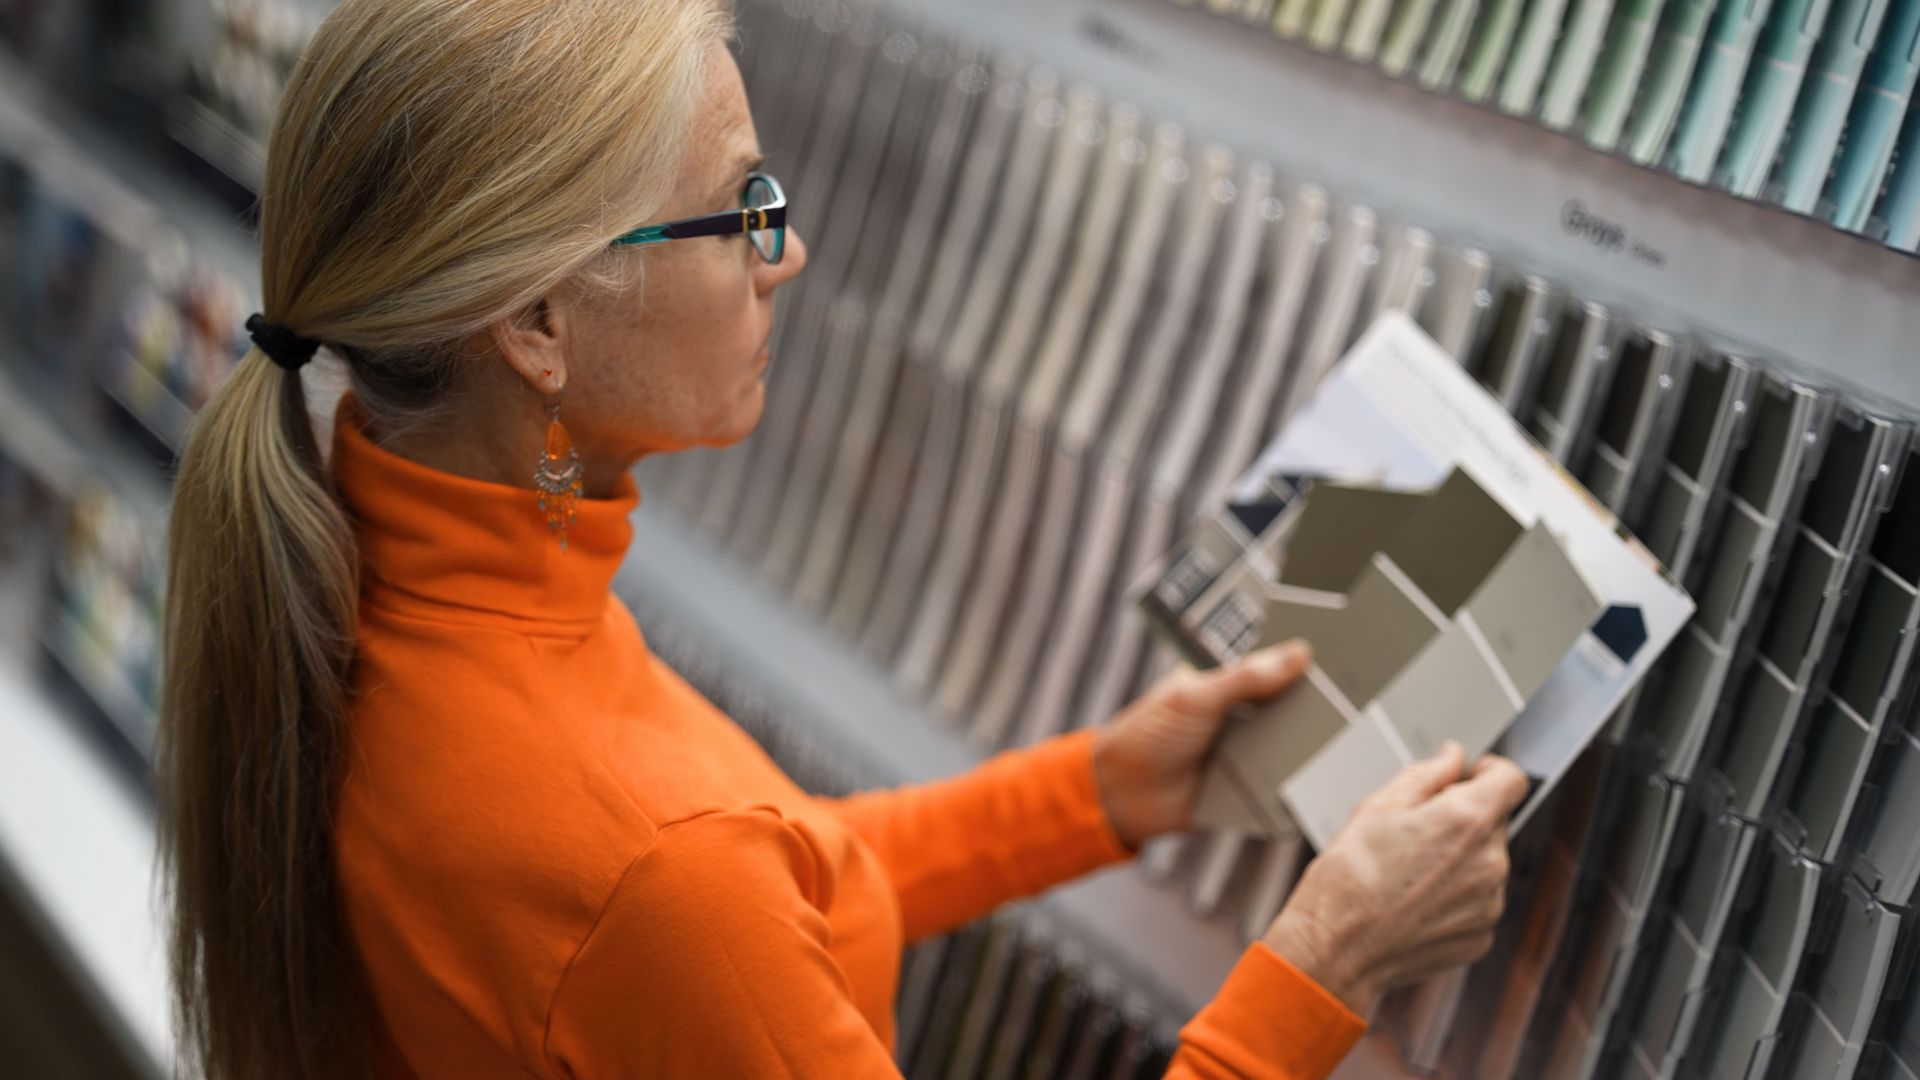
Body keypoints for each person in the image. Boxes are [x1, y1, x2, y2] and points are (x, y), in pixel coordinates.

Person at [157, 1, 1531, 1077]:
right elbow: (699, 912)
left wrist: (1102, 792)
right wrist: (1327, 966)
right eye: (744, 206)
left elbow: (777, 900)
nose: (787, 255)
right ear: (537, 327)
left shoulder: (376, 582)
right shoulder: (645, 857)